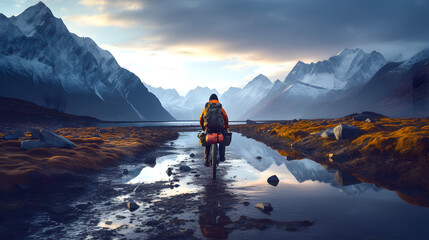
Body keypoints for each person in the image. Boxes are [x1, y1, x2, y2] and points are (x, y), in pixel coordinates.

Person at [199, 93, 229, 166]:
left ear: (209, 100)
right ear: (217, 100)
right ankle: (222, 157)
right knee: (223, 139)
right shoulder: (220, 107)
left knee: (207, 143)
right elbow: (225, 118)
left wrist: (203, 128)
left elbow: (201, 119)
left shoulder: (206, 108)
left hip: (209, 128)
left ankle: (206, 161)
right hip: (219, 128)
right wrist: (225, 127)